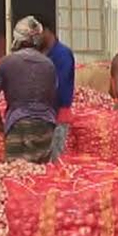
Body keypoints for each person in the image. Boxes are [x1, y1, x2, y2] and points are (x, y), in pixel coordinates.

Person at [0, 17, 58, 164]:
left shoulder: (6, 62)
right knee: (41, 174)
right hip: (45, 125)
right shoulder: (49, 64)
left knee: (16, 173)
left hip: (17, 124)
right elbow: (52, 95)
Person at [34, 15, 75, 161]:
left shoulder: (62, 54)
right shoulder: (39, 54)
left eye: (37, 33)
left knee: (55, 160)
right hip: (41, 116)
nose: (35, 38)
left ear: (46, 31)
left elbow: (60, 86)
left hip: (57, 115)